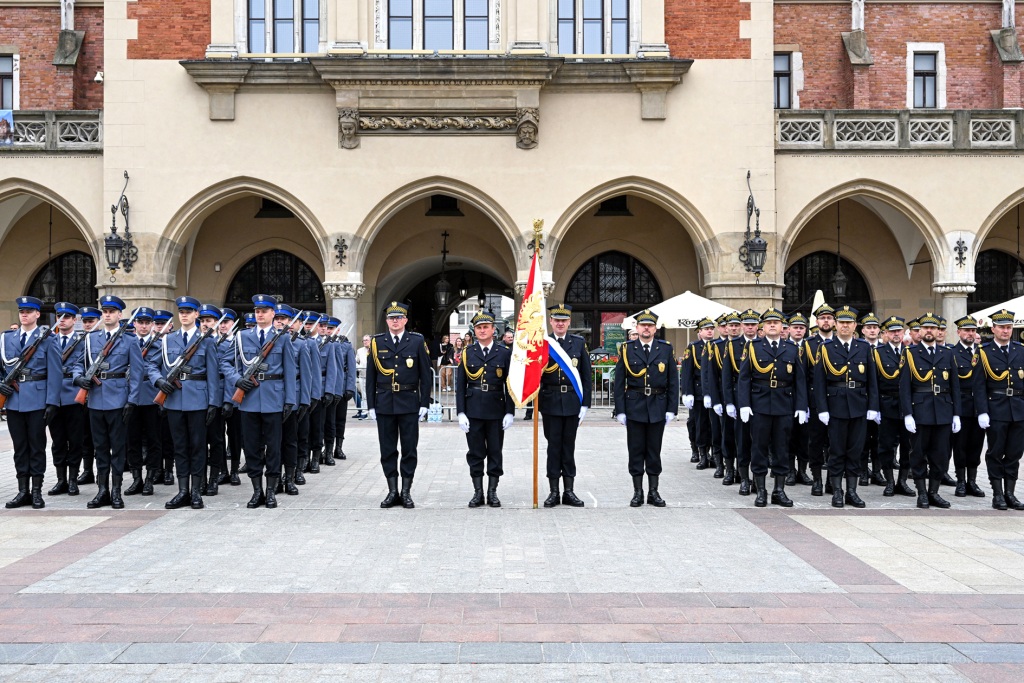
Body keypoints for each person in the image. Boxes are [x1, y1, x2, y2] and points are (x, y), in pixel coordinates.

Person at [221, 294, 297, 509]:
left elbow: (290, 371)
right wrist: (237, 380)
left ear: (273, 314)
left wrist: (290, 400)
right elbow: (225, 362)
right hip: (249, 398)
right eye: (257, 311)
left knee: (273, 447)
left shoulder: (282, 338)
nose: (260, 314)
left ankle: (271, 491)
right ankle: (257, 491)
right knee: (252, 447)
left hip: (274, 398)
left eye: (264, 311)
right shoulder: (241, 337)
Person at [148, 297, 222, 510]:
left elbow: (213, 375)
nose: (184, 315)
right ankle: (182, 491)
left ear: (196, 315)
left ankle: (196, 491)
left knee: (198, 446)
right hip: (173, 401)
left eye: (189, 311)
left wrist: (213, 404)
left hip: (199, 400)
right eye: (181, 311)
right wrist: (159, 381)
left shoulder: (206, 340)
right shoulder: (167, 340)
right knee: (179, 447)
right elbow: (151, 365)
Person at [74, 295, 143, 509]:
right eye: (104, 311)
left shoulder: (129, 340)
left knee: (118, 448)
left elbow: (138, 373)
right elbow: (78, 364)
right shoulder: (91, 339)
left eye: (111, 311)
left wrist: (132, 401)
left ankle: (116, 491)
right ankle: (102, 490)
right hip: (94, 399)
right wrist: (79, 378)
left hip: (119, 400)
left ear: (120, 315)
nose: (107, 314)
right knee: (100, 447)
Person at [737, 308, 808, 507]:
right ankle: (761, 490)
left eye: (776, 323)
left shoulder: (792, 348)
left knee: (781, 448)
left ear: (782, 327)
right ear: (763, 327)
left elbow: (799, 380)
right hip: (759, 405)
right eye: (769, 323)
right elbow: (744, 379)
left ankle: (779, 490)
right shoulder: (753, 347)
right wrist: (744, 405)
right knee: (758, 448)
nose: (772, 326)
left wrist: (801, 406)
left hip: (784, 404)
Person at [367, 301, 431, 508]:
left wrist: (424, 403)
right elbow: (370, 377)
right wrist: (370, 405)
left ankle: (406, 491)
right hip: (384, 402)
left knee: (409, 449)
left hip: (409, 403)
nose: (395, 321)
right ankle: (392, 491)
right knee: (387, 449)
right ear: (386, 321)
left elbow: (425, 375)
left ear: (405, 320)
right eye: (391, 318)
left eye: (399, 318)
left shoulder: (417, 341)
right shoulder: (377, 343)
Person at [814, 305, 879, 508]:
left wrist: (873, 406)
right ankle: (837, 492)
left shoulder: (864, 347)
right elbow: (819, 382)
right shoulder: (825, 348)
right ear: (835, 324)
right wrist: (822, 408)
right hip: (836, 406)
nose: (845, 326)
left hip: (859, 405)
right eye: (841, 323)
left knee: (856, 451)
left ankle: (852, 491)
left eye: (849, 323)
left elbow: (872, 381)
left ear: (855, 326)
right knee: (836, 451)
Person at [1, 296, 61, 509]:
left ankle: (36, 492)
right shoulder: (7, 338)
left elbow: (56, 372)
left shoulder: (48, 339)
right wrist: (1, 384)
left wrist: (52, 402)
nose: (24, 314)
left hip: (37, 399)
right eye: (21, 311)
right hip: (14, 400)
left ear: (37, 314)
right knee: (19, 447)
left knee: (36, 447)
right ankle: (22, 491)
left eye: (29, 311)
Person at [613, 309, 678, 507]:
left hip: (657, 406)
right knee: (635, 450)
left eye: (650, 325)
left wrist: (671, 408)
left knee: (653, 451)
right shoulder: (627, 349)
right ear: (637, 328)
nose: (647, 328)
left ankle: (654, 492)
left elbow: (673, 381)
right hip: (635, 406)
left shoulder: (665, 349)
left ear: (655, 328)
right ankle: (637, 492)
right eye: (643, 325)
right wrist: (621, 410)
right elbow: (619, 382)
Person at [900, 312, 961, 509]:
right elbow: (904, 387)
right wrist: (907, 413)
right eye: (925, 328)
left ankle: (934, 492)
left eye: (933, 328)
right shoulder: (909, 353)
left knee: (941, 454)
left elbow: (955, 387)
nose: (929, 331)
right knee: (918, 454)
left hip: (943, 411)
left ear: (938, 331)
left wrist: (956, 414)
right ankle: (922, 493)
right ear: (919, 331)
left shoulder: (947, 354)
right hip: (920, 411)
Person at [456, 310, 515, 507]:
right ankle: (478, 492)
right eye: (479, 328)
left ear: (493, 330)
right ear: (475, 331)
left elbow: (510, 385)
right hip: (473, 410)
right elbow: (460, 385)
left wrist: (509, 411)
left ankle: (492, 492)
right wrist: (461, 412)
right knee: (475, 452)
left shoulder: (504, 353)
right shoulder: (467, 353)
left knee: (495, 451)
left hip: (496, 409)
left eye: (486, 327)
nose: (482, 331)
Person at [538, 304, 591, 507]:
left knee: (568, 447)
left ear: (569, 322)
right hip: (550, 402)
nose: (560, 324)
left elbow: (586, 376)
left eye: (564, 320)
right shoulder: (543, 343)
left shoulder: (578, 343)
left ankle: (569, 491)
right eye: (556, 320)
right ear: (551, 322)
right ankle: (553, 492)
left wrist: (585, 404)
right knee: (553, 448)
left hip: (571, 402)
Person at [974, 309, 1024, 510]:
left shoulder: (1021, 350)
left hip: (1018, 409)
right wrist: (982, 411)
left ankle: (1010, 493)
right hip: (996, 408)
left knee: (1014, 453)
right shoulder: (983, 352)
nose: (1006, 331)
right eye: (1002, 327)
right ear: (993, 329)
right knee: (995, 452)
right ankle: (997, 494)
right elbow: (978, 385)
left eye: (1009, 327)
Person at [47, 302, 87, 497]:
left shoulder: (82, 341)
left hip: (74, 396)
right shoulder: (48, 341)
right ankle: (60, 479)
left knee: (76, 440)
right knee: (57, 441)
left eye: (67, 317)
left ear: (74, 320)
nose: (62, 320)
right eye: (59, 316)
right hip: (54, 397)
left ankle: (73, 479)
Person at [272, 304, 311, 496]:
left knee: (290, 440)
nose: (280, 322)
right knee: (273, 442)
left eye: (284, 319)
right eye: (277, 319)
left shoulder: (300, 343)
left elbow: (306, 374)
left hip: (292, 397)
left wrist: (304, 401)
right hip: (272, 399)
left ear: (291, 322)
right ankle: (276, 479)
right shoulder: (266, 342)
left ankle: (290, 477)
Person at [873, 317, 914, 497]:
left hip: (907, 407)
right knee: (886, 446)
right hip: (887, 404)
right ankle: (889, 481)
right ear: (886, 334)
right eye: (892, 331)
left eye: (899, 331)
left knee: (908, 445)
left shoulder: (910, 352)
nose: (896, 334)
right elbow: (873, 383)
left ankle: (902, 481)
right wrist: (874, 408)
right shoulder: (877, 353)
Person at [126, 307, 163, 497]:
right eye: (140, 322)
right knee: (132, 439)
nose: (144, 326)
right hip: (131, 396)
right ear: (134, 324)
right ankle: (136, 478)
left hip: (151, 395)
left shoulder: (160, 344)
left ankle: (150, 478)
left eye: (147, 322)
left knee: (153, 440)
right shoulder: (125, 342)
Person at [722, 309, 760, 496]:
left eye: (753, 324)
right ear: (742, 326)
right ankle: (744, 478)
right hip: (739, 398)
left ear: (757, 326)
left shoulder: (763, 344)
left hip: (762, 398)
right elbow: (727, 377)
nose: (750, 327)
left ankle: (759, 479)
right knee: (743, 440)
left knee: (760, 441)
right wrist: (729, 401)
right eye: (747, 324)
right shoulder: (732, 345)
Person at [951, 315, 986, 499]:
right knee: (960, 446)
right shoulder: (952, 353)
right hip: (962, 406)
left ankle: (972, 481)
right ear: (959, 332)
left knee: (976, 445)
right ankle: (961, 481)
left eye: (973, 330)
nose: (970, 334)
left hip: (979, 407)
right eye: (967, 330)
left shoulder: (982, 352)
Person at [805, 304, 836, 496]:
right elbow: (801, 377)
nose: (826, 321)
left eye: (829, 318)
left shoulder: (839, 343)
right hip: (814, 401)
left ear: (834, 322)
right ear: (816, 322)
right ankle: (817, 479)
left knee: (836, 442)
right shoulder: (808, 345)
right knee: (815, 442)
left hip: (836, 401)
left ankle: (832, 480)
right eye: (822, 318)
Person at [704, 313, 738, 482]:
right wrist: (711, 396)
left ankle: (741, 469)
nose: (728, 328)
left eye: (731, 325)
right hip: (722, 394)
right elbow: (710, 374)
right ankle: (723, 465)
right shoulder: (716, 347)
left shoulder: (746, 345)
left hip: (741, 394)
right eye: (725, 326)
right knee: (721, 433)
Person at [681, 318, 714, 471]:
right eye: (706, 329)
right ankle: (701, 453)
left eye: (711, 328)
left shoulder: (718, 346)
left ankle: (714, 454)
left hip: (714, 393)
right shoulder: (693, 348)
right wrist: (687, 393)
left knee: (714, 425)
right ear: (699, 332)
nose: (709, 331)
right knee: (699, 424)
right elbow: (687, 372)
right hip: (698, 392)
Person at [785, 313, 813, 486]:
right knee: (787, 436)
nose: (798, 330)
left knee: (804, 438)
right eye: (795, 327)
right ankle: (789, 471)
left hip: (808, 399)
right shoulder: (785, 346)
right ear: (789, 329)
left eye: (801, 328)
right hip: (787, 398)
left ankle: (802, 471)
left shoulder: (813, 347)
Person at [76, 306, 101, 487]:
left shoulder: (102, 341)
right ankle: (87, 470)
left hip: (99, 394)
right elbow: (77, 364)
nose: (87, 325)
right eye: (85, 322)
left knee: (98, 437)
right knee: (84, 436)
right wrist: (79, 379)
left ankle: (101, 472)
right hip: (84, 394)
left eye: (91, 321)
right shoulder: (81, 341)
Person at [858, 313, 884, 488]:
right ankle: (863, 471)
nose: (872, 330)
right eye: (869, 327)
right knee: (863, 439)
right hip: (862, 400)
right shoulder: (858, 348)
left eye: (875, 327)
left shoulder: (885, 349)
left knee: (880, 439)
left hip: (882, 401)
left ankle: (877, 470)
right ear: (863, 330)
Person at [152, 309, 176, 485]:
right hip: (152, 394)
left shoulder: (172, 342)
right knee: (154, 436)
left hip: (170, 395)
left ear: (171, 325)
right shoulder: (152, 344)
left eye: (164, 323)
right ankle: (156, 470)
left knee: (168, 436)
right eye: (158, 323)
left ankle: (168, 470)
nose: (160, 326)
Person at [333, 327, 357, 461]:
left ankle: (338, 447)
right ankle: (327, 448)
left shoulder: (346, 345)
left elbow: (351, 369)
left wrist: (350, 388)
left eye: (332, 328)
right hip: (326, 389)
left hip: (341, 388)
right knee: (326, 421)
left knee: (340, 419)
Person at [355, 334, 370, 417]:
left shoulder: (375, 349)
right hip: (362, 375)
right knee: (364, 395)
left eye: (367, 340)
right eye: (364, 340)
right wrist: (359, 367)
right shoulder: (360, 350)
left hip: (373, 377)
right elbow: (355, 362)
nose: (365, 342)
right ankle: (364, 412)